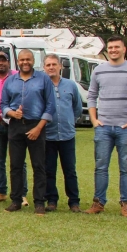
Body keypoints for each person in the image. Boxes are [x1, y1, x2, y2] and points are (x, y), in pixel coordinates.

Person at [85, 35, 127, 217]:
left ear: (124, 49)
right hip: (103, 127)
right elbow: (91, 96)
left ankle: (126, 203)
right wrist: (94, 120)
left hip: (125, 128)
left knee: (126, 167)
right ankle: (98, 202)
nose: (113, 50)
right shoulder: (99, 70)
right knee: (101, 166)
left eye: (116, 47)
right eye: (110, 47)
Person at [0, 49, 56, 215]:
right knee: (15, 165)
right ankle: (16, 200)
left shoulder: (43, 79)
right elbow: (3, 104)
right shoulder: (10, 81)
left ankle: (39, 202)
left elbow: (50, 105)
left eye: (28, 59)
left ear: (33, 61)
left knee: (39, 166)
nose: (25, 62)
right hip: (16, 125)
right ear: (18, 61)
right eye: (22, 60)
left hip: (36, 125)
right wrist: (12, 113)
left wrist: (39, 128)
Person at [43, 54, 83, 212]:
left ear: (60, 66)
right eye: (48, 65)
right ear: (44, 68)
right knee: (49, 170)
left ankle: (74, 201)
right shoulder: (42, 86)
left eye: (54, 64)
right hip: (48, 135)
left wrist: (68, 121)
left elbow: (77, 108)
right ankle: (51, 200)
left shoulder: (71, 85)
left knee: (70, 170)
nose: (51, 67)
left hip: (67, 135)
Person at [0, 51, 28, 205]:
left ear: (9, 63)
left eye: (4, 60)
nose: (1, 63)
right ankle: (1, 192)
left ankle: (22, 194)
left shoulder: (17, 77)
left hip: (15, 124)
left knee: (19, 161)